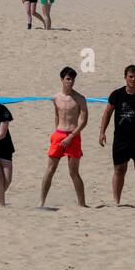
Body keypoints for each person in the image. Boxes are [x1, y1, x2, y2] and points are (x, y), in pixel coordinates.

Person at [99, 65, 135, 204]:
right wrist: (102, 132)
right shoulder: (117, 94)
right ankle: (116, 201)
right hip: (121, 139)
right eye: (130, 76)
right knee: (119, 169)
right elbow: (107, 113)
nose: (133, 79)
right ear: (125, 77)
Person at [38, 67, 89, 207]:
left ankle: (82, 204)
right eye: (68, 79)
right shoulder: (56, 98)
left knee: (74, 172)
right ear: (62, 79)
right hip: (59, 135)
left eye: (72, 79)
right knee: (50, 170)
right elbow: (57, 115)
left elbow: (83, 121)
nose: (70, 82)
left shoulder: (80, 98)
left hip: (73, 135)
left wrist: (71, 137)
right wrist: (56, 134)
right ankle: (41, 201)